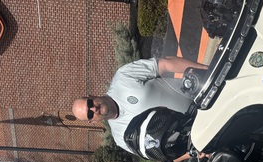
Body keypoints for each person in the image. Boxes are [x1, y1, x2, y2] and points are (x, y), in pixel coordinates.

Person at [71, 57, 206, 155]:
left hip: (203, 95)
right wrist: (196, 151)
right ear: (92, 122)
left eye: (90, 104)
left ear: (91, 96)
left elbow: (165, 64)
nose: (93, 109)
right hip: (199, 134)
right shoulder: (121, 137)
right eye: (90, 113)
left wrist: (206, 71)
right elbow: (160, 153)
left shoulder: (123, 77)